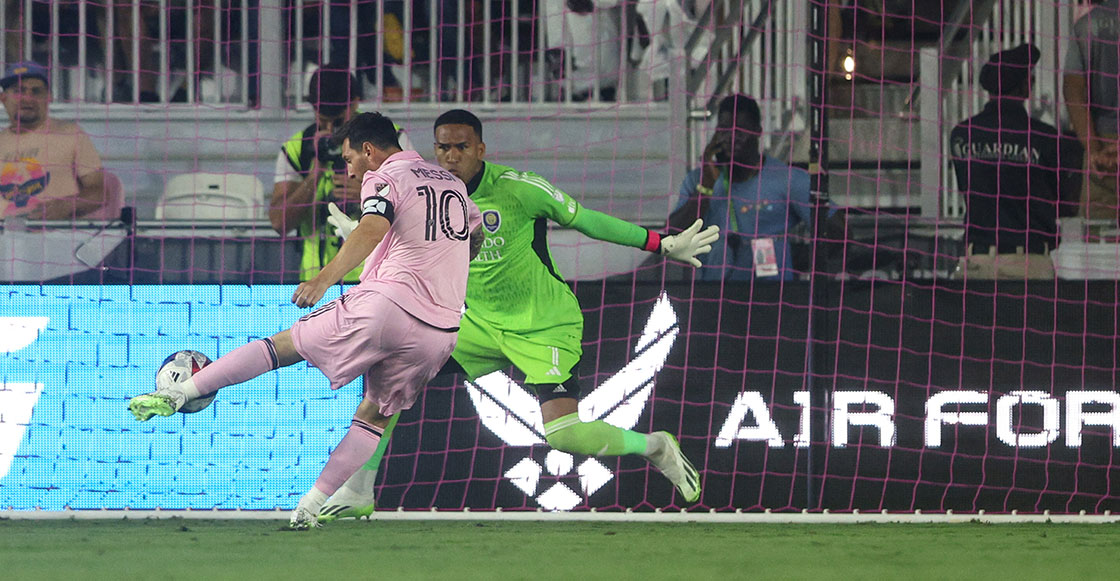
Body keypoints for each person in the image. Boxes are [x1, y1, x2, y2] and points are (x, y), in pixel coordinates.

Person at [315, 109, 718, 521]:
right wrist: (368, 241)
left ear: (481, 149)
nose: (452, 156)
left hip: (542, 323)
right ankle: (359, 488)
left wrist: (661, 244)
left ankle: (655, 446)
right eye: (443, 148)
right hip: (478, 324)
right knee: (391, 376)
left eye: (462, 147)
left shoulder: (518, 188)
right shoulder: (426, 191)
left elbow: (587, 220)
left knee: (564, 435)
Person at [128, 112, 483, 530]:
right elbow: (471, 239)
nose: (348, 168)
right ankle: (309, 507)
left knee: (281, 348)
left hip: (385, 307)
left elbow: (372, 227)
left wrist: (324, 278)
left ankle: (178, 393)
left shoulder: (385, 176)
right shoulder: (453, 184)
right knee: (373, 418)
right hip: (439, 332)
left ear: (369, 151)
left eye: (350, 158)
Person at [269, 64, 415, 282]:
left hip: (378, 279)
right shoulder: (296, 149)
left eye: (338, 121)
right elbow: (280, 224)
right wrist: (314, 174)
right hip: (316, 281)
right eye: (322, 121)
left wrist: (369, 197)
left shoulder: (391, 139)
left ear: (355, 102)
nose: (331, 130)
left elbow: (417, 206)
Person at [951, 44, 1082, 280]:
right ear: (1025, 86)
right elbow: (1064, 200)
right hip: (1028, 263)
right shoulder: (1044, 137)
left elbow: (967, 188)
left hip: (976, 261)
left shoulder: (962, 134)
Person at [667, 93, 813, 281]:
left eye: (740, 131)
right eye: (724, 131)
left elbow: (838, 233)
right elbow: (673, 236)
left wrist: (794, 260)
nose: (731, 138)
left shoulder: (787, 179)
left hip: (772, 297)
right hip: (713, 296)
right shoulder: (698, 180)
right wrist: (706, 186)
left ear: (758, 131)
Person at [0, 61, 107, 220]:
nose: (28, 98)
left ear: (48, 97)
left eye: (36, 92)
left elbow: (100, 193)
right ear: (3, 98)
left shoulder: (71, 133)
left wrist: (66, 205)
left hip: (56, 237)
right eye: (18, 91)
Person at [1064, 0, 1120, 222]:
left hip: (1102, 144)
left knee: (1100, 237)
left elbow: (1072, 89)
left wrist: (1094, 148)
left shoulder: (1086, 25)